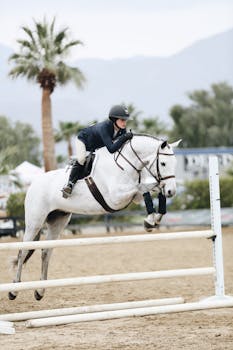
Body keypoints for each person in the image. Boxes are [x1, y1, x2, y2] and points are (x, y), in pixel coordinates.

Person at [62, 104, 166, 230]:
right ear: (113, 120)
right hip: (84, 141)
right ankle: (70, 184)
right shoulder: (104, 128)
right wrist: (124, 138)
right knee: (82, 159)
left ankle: (152, 211)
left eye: (125, 120)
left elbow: (122, 147)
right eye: (122, 120)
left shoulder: (121, 130)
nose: (124, 123)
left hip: (98, 147)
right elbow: (111, 149)